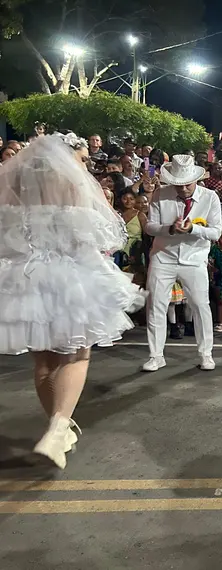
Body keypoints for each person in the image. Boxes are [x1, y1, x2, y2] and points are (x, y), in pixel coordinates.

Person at [0, 133, 144, 468]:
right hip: (68, 279)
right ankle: (57, 428)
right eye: (81, 159)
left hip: (26, 282)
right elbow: (96, 239)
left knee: (44, 363)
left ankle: (59, 427)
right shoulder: (74, 187)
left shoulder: (16, 186)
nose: (84, 166)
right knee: (77, 355)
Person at [143, 155, 222, 372]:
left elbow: (216, 232)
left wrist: (193, 229)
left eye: (188, 184)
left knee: (200, 305)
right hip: (163, 256)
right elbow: (150, 226)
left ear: (196, 180)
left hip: (194, 258)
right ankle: (156, 356)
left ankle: (206, 354)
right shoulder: (160, 194)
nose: (184, 188)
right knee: (155, 305)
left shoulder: (210, 197)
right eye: (179, 185)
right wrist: (169, 228)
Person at [116, 188, 148, 286]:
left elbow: (146, 237)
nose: (128, 201)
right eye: (125, 198)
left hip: (136, 252)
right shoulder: (116, 214)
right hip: (118, 252)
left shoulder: (140, 215)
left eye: (131, 199)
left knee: (135, 283)